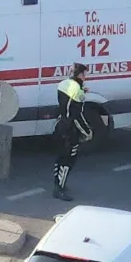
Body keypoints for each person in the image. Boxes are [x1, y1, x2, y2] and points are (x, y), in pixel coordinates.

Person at [54, 63, 93, 201]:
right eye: (85, 74)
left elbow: (67, 100)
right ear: (81, 74)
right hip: (71, 130)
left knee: (60, 158)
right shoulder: (78, 91)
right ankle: (60, 189)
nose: (85, 77)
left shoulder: (63, 84)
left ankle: (57, 183)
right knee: (68, 160)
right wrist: (88, 132)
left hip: (60, 125)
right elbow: (77, 116)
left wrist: (82, 90)